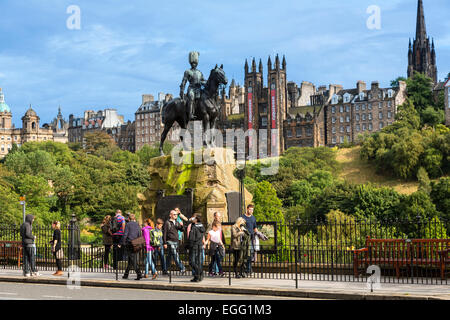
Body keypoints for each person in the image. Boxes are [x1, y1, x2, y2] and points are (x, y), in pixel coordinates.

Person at [179, 51, 207, 121]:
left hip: (198, 89)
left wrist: (202, 82)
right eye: (192, 63)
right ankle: (190, 114)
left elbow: (204, 81)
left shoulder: (199, 72)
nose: (194, 64)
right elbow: (184, 82)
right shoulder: (187, 71)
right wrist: (182, 90)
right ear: (191, 63)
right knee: (191, 97)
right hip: (191, 88)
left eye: (195, 63)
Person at [120, 213, 143, 280]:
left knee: (133, 260)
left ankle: (139, 274)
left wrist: (122, 243)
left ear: (129, 219)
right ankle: (126, 275)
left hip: (130, 244)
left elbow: (125, 235)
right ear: (134, 218)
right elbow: (139, 234)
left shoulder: (128, 224)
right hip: (137, 244)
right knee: (130, 260)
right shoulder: (137, 224)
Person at [187, 213, 205, 282]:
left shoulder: (194, 227)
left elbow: (191, 238)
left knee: (192, 262)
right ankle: (197, 276)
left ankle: (199, 273)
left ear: (196, 219)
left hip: (194, 246)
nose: (192, 219)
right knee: (198, 262)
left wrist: (189, 245)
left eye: (193, 218)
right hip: (199, 245)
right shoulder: (201, 226)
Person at [241, 204, 258, 275]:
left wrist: (258, 234)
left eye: (252, 210)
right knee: (245, 254)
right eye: (250, 209)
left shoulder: (253, 218)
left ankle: (248, 269)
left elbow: (255, 228)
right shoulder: (242, 217)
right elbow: (240, 226)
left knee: (250, 254)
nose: (251, 211)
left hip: (251, 238)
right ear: (247, 209)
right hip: (245, 238)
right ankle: (247, 269)